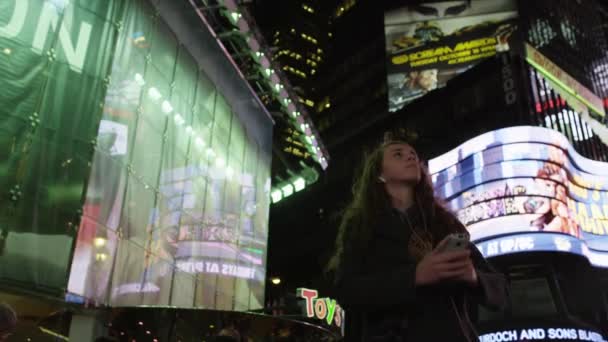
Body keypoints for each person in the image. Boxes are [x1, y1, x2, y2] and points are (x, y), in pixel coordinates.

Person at [326, 132, 506, 341]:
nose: (411, 157)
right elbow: (347, 291)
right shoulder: (360, 225)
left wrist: (473, 276)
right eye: (398, 154)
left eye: (413, 154)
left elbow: (500, 292)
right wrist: (415, 276)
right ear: (379, 174)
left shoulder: (445, 223)